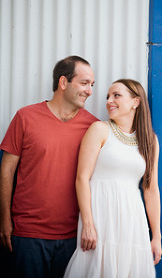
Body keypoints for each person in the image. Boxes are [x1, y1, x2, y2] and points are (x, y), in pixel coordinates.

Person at [0, 55, 99, 278]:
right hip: (27, 234)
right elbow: (6, 170)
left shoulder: (93, 126)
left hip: (73, 238)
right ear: (63, 83)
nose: (90, 91)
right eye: (84, 83)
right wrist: (4, 219)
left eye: (92, 85)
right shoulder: (25, 117)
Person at [63, 79, 161, 277]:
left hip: (132, 219)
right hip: (100, 216)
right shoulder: (99, 129)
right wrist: (88, 223)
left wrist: (156, 236)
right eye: (108, 96)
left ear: (136, 102)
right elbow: (82, 178)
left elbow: (150, 189)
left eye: (116, 95)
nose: (109, 101)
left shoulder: (150, 140)